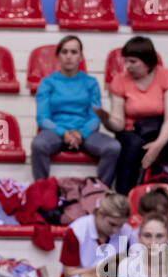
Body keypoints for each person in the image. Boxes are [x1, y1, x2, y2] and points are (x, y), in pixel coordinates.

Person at [96, 36, 168, 198]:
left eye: (133, 62)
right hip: (131, 131)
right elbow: (118, 125)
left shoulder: (167, 76)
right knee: (132, 147)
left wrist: (157, 145)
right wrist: (106, 119)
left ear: (147, 61)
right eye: (125, 61)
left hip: (159, 128)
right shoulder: (120, 80)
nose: (127, 66)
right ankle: (124, 198)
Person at [31, 35, 118, 187]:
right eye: (64, 52)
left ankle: (100, 193)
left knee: (113, 147)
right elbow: (43, 118)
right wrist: (64, 133)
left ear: (80, 56)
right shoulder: (47, 82)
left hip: (85, 132)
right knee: (38, 145)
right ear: (58, 56)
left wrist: (80, 134)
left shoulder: (91, 83)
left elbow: (95, 118)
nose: (69, 56)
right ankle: (42, 191)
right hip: (55, 132)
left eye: (73, 52)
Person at [48, 190, 129, 277]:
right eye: (112, 224)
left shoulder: (126, 231)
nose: (116, 230)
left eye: (120, 225)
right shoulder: (77, 230)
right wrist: (103, 270)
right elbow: (69, 273)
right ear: (100, 213)